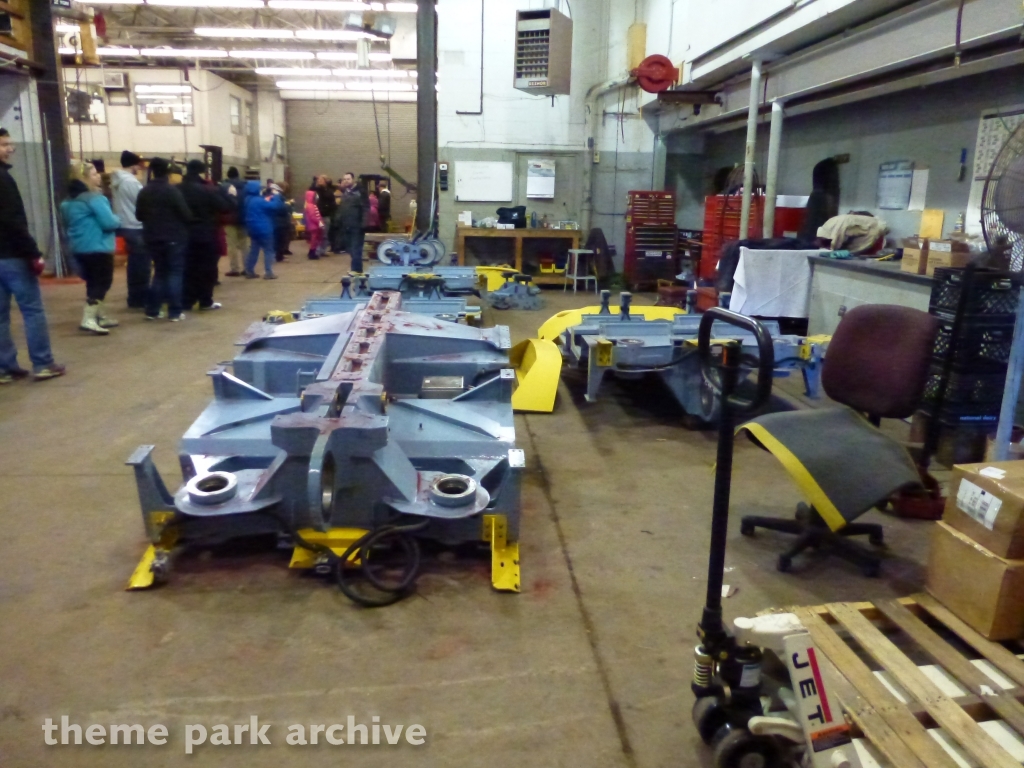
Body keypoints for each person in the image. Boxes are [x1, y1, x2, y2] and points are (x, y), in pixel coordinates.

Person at [0, 127, 64, 382]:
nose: (10, 149)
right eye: (4, 144)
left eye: (9, 144)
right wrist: (33, 253)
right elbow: (13, 221)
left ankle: (4, 367)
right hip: (13, 256)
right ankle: (42, 362)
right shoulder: (4, 180)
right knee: (32, 310)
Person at [61, 160, 122, 335]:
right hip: (98, 247)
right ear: (85, 178)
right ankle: (88, 319)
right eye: (94, 174)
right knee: (102, 282)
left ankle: (99, 315)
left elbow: (66, 224)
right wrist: (118, 220)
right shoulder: (96, 198)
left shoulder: (67, 202)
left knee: (92, 282)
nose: (98, 177)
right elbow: (109, 223)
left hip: (78, 247)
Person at [136, 157, 193, 321]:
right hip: (174, 236)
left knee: (159, 272)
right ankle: (175, 311)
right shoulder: (172, 191)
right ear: (168, 172)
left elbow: (139, 216)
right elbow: (186, 214)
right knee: (175, 272)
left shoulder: (144, 191)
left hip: (152, 237)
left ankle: (153, 310)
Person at [180, 159, 232, 311]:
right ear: (202, 171)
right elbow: (225, 206)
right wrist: (228, 194)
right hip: (206, 233)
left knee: (187, 269)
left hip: (183, 234)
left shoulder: (177, 189)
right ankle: (205, 301)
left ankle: (187, 301)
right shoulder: (208, 190)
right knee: (207, 269)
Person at [110, 150, 149, 308]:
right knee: (142, 264)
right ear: (132, 165)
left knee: (133, 263)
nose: (138, 168)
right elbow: (143, 202)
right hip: (136, 225)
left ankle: (134, 296)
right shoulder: (131, 183)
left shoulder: (117, 181)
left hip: (124, 224)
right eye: (137, 165)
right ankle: (140, 298)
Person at [243, 179, 286, 279]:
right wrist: (276, 196)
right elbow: (275, 206)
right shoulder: (259, 201)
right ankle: (268, 272)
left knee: (254, 250)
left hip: (252, 228)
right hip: (264, 228)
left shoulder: (248, 200)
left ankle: (249, 270)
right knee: (268, 250)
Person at [333, 172, 366, 272]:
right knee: (350, 249)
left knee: (356, 249)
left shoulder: (360, 193)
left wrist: (364, 223)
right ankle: (356, 270)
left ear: (353, 180)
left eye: (348, 179)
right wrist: (337, 220)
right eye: (345, 179)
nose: (346, 181)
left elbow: (366, 208)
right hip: (345, 226)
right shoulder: (345, 193)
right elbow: (342, 209)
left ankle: (356, 270)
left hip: (356, 226)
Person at [221, 166, 248, 276]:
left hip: (230, 219)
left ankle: (235, 269)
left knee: (231, 245)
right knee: (244, 245)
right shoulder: (246, 186)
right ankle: (247, 268)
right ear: (238, 175)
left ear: (228, 175)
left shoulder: (224, 187)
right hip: (244, 218)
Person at [303, 190, 325, 260]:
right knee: (314, 240)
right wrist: (319, 222)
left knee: (315, 239)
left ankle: (312, 252)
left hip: (314, 225)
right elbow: (313, 216)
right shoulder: (311, 206)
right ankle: (312, 253)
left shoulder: (310, 205)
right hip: (314, 225)